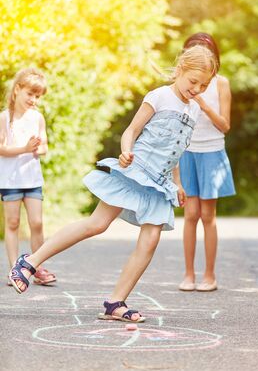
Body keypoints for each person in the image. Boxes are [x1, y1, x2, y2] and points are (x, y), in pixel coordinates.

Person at [9, 45, 217, 323]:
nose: (197, 89)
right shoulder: (159, 96)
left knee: (151, 239)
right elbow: (131, 131)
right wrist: (125, 150)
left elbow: (175, 151)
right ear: (179, 70)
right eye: (193, 82)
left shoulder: (194, 111)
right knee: (97, 224)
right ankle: (30, 261)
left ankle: (115, 302)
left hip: (160, 182)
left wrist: (177, 183)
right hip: (136, 170)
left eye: (204, 85)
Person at [178, 33, 235, 292]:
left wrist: (203, 105)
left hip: (212, 152)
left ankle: (209, 275)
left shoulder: (220, 83)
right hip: (188, 153)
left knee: (207, 215)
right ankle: (188, 275)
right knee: (190, 215)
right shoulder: (184, 82)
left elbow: (225, 126)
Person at [0, 68, 56, 286]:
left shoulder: (37, 118)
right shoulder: (4, 118)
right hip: (10, 180)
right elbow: (1, 149)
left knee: (37, 222)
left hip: (32, 179)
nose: (33, 100)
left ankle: (37, 267)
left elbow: (43, 147)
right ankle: (15, 269)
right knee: (13, 223)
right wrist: (24, 148)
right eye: (30, 94)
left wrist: (36, 148)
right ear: (17, 90)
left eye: (37, 96)